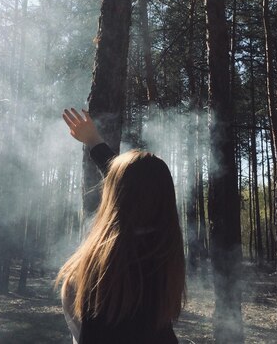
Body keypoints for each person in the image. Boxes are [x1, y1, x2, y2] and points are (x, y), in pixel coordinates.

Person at [57, 108, 185, 344]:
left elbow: (126, 185)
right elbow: (133, 186)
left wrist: (93, 140)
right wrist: (95, 143)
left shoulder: (85, 274)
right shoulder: (164, 251)